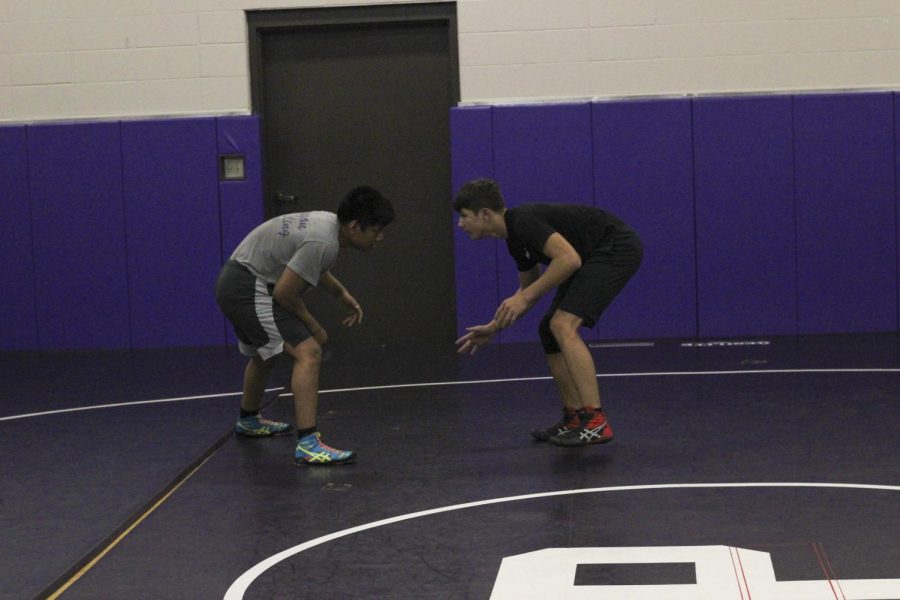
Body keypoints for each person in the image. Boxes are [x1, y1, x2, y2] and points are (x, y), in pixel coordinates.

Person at [453, 179, 642, 447]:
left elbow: (568, 259)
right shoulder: (514, 241)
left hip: (615, 247)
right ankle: (575, 418)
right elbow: (528, 287)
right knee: (549, 330)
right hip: (591, 254)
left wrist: (524, 298)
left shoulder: (523, 221)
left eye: (463, 217)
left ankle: (595, 421)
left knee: (562, 324)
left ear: (485, 214)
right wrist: (494, 327)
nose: (460, 224)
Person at [215, 186, 395, 465]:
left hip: (237, 280)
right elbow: (285, 294)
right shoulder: (324, 242)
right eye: (376, 230)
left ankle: (249, 419)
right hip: (247, 287)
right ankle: (309, 444)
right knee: (309, 352)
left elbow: (307, 265)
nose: (380, 237)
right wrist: (314, 327)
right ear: (355, 226)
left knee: (267, 353)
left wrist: (341, 295)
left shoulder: (327, 225)